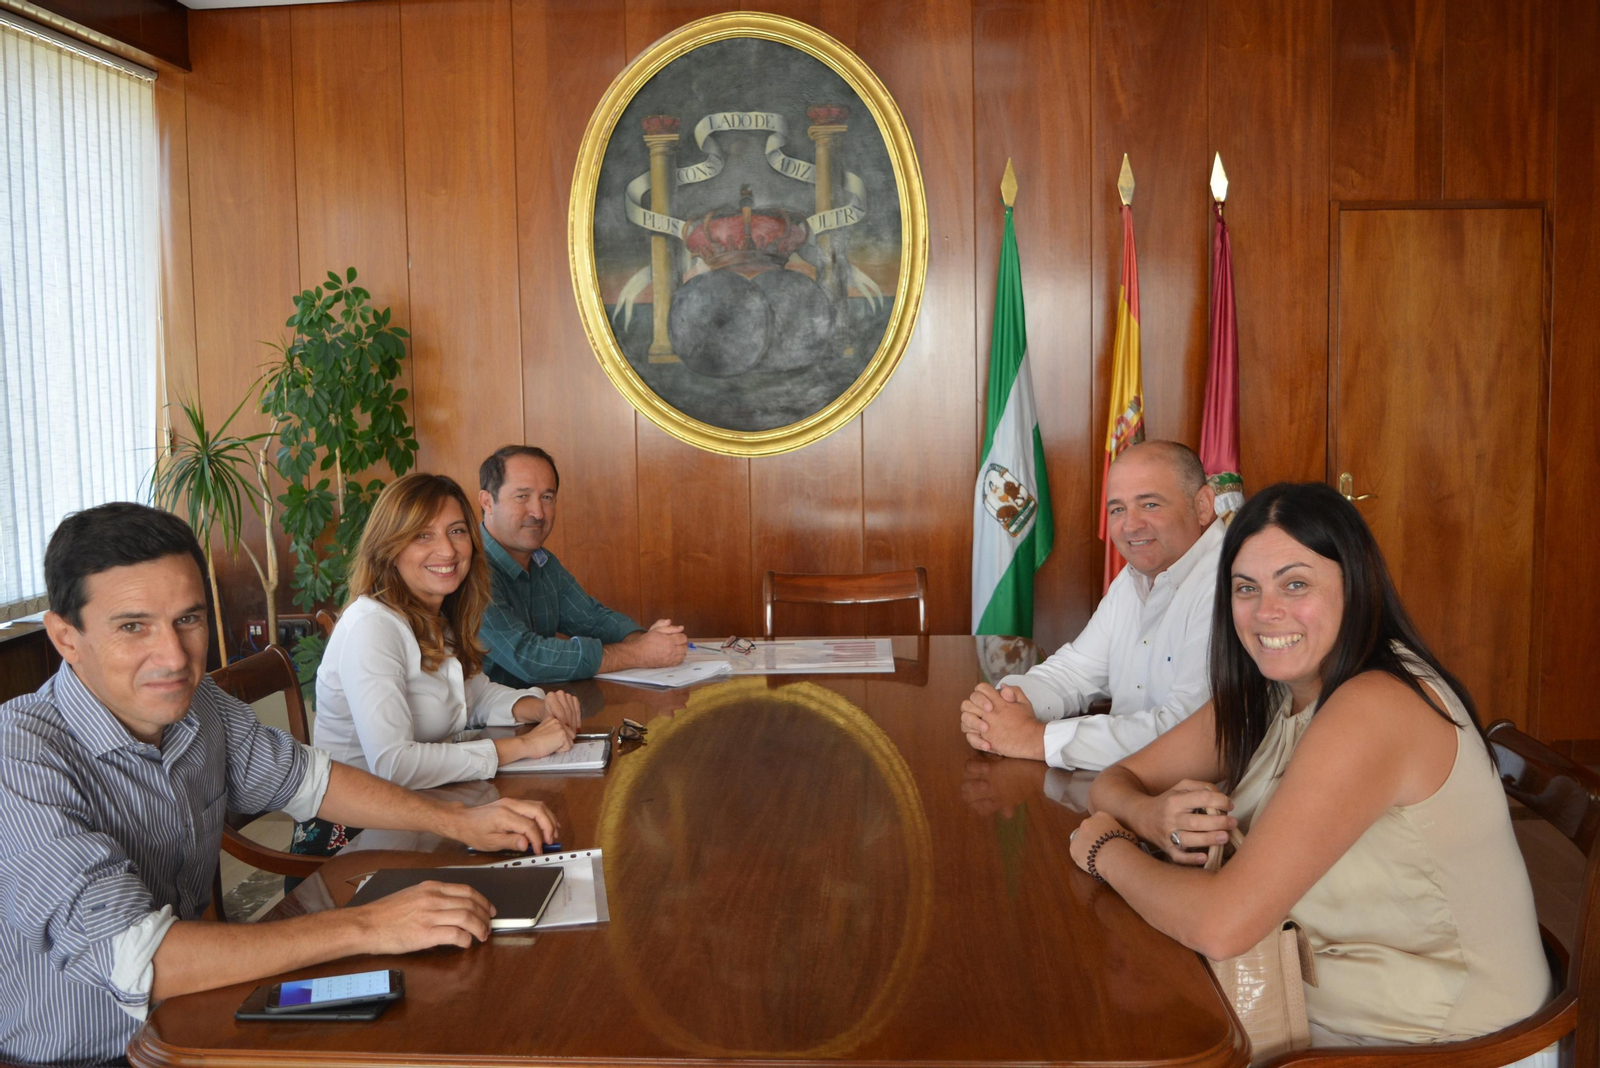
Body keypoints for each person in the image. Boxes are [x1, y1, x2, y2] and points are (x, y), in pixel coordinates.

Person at [0, 503, 562, 1065]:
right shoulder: (20, 754)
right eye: (132, 626)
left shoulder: (199, 706)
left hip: (198, 1013)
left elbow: (311, 781)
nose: (173, 657)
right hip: (88, 1053)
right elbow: (142, 960)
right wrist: (370, 924)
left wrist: (460, 821)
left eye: (188, 620)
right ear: (65, 638)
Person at [1075, 482, 1550, 1050]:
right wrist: (1147, 815)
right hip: (1308, 1001)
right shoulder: (1278, 688)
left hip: (1439, 1045)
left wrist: (1108, 851)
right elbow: (1114, 782)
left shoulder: (1375, 706)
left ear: (1356, 586)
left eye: (1295, 584)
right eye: (1245, 588)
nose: (1266, 612)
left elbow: (1221, 927)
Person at [309, 472, 581, 816]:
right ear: (389, 548)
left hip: (429, 804)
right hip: (359, 828)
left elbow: (476, 695)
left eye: (456, 531)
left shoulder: (433, 610)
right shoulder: (371, 626)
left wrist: (539, 707)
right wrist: (523, 745)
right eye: (423, 535)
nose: (448, 550)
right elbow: (395, 765)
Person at [961, 440, 1222, 770]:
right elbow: (1074, 672)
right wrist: (1000, 707)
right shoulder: (1134, 579)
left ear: (1202, 505)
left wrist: (1033, 738)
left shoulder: (1233, 586)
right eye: (1117, 509)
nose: (1130, 525)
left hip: (1200, 807)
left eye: (1150, 504)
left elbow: (1185, 737)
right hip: (1125, 792)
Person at [477, 445, 687, 685]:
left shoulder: (542, 561)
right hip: (482, 721)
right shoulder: (471, 569)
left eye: (547, 497)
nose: (538, 512)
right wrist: (639, 653)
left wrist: (647, 640)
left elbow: (592, 619)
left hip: (542, 711)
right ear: (487, 502)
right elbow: (530, 658)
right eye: (522, 496)